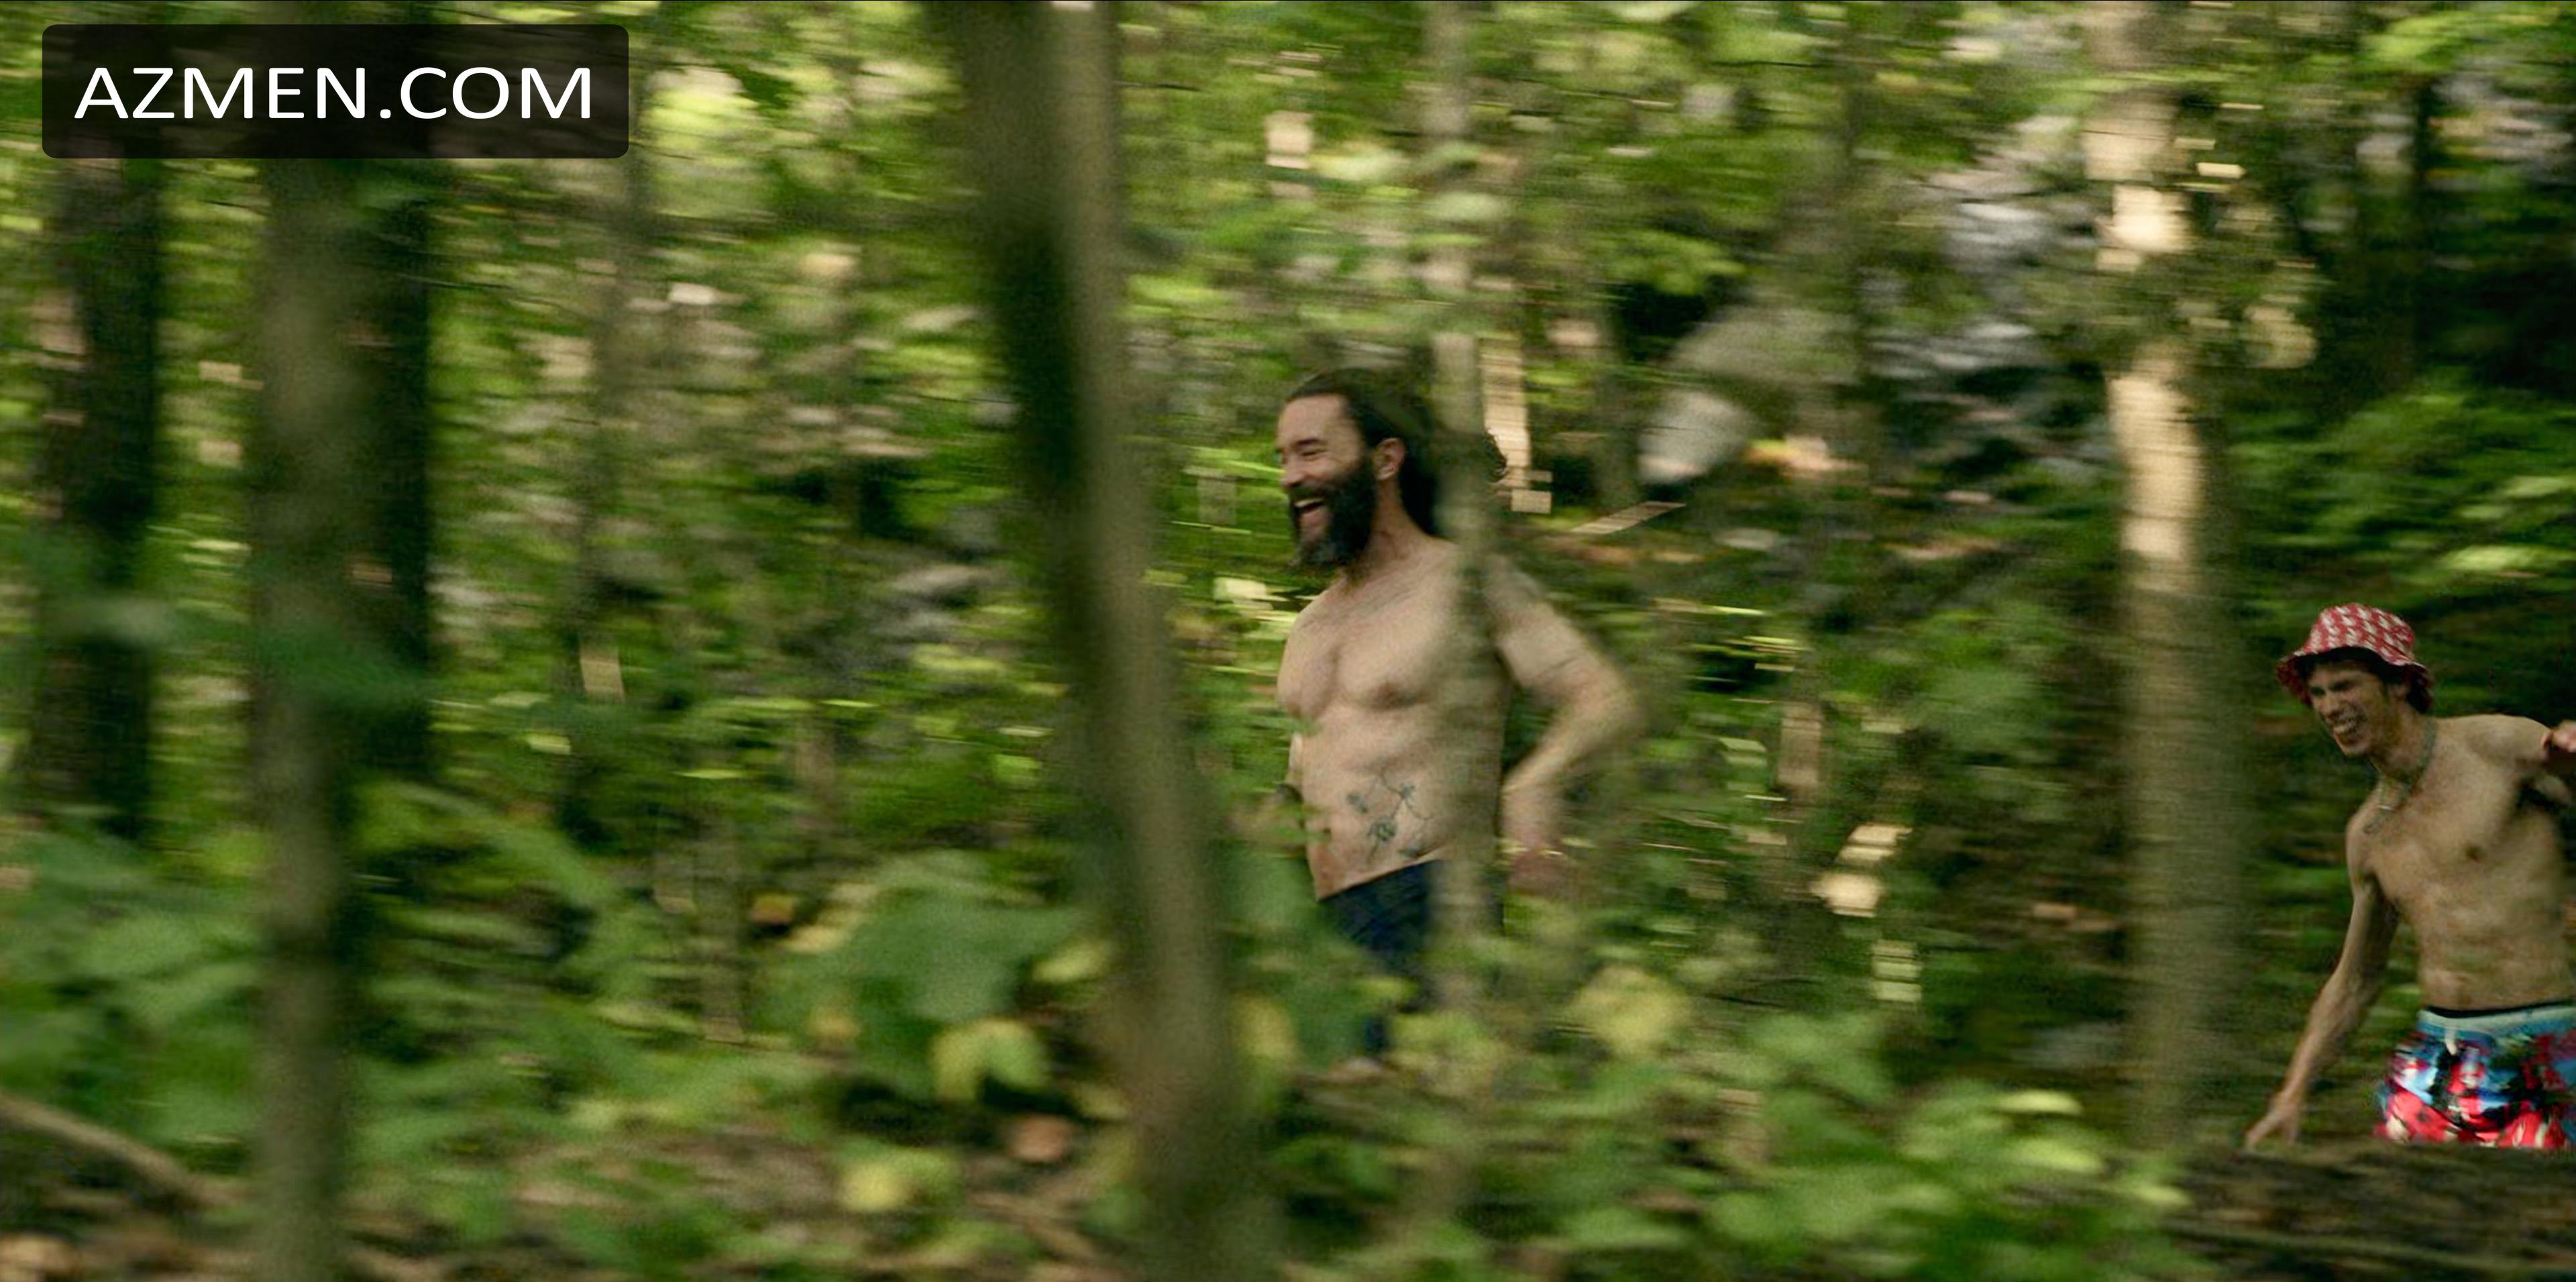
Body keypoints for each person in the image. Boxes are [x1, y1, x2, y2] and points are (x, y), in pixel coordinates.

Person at [1267, 368, 1638, 1036]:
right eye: (1284, 458)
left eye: (1312, 452)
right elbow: (1305, 780)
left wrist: (1534, 784)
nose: (1292, 477)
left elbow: (1603, 695)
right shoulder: (1311, 627)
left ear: (1384, 460)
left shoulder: (1464, 583)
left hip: (1429, 906)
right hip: (1325, 933)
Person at [2245, 603, 2576, 1149]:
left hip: (2546, 1043)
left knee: (2540, 1202)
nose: (2329, 706)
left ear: (2398, 682)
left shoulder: (2497, 747)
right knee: (2405, 1195)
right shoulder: (2367, 834)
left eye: (2344, 685)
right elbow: (2355, 979)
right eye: (2319, 693)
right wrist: (2293, 1092)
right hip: (2440, 1055)